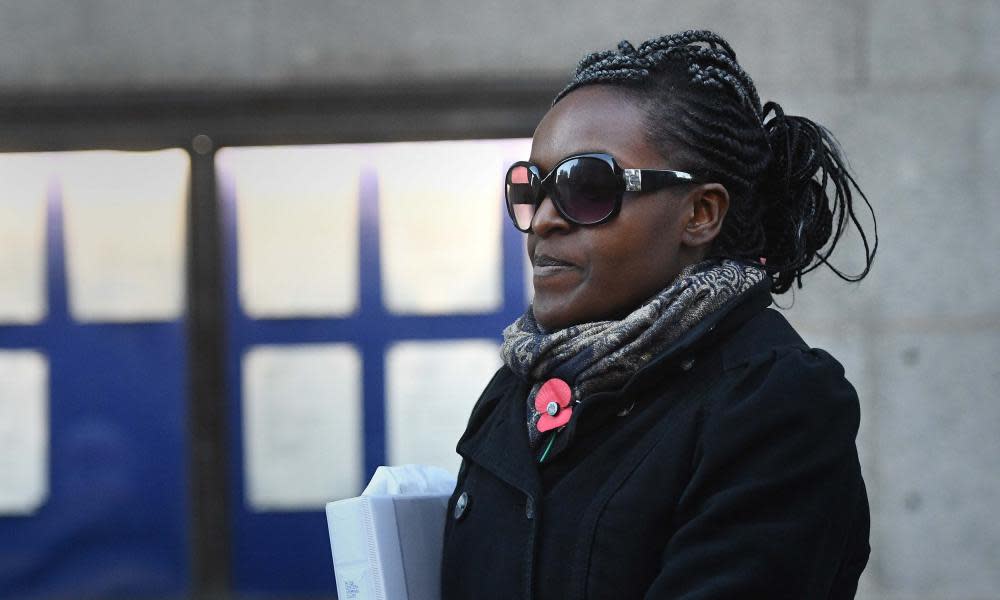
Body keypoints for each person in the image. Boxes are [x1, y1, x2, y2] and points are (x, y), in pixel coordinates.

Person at [441, 30, 876, 599]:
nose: (545, 219)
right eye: (533, 188)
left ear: (700, 213)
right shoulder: (517, 389)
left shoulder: (773, 403)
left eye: (587, 185)